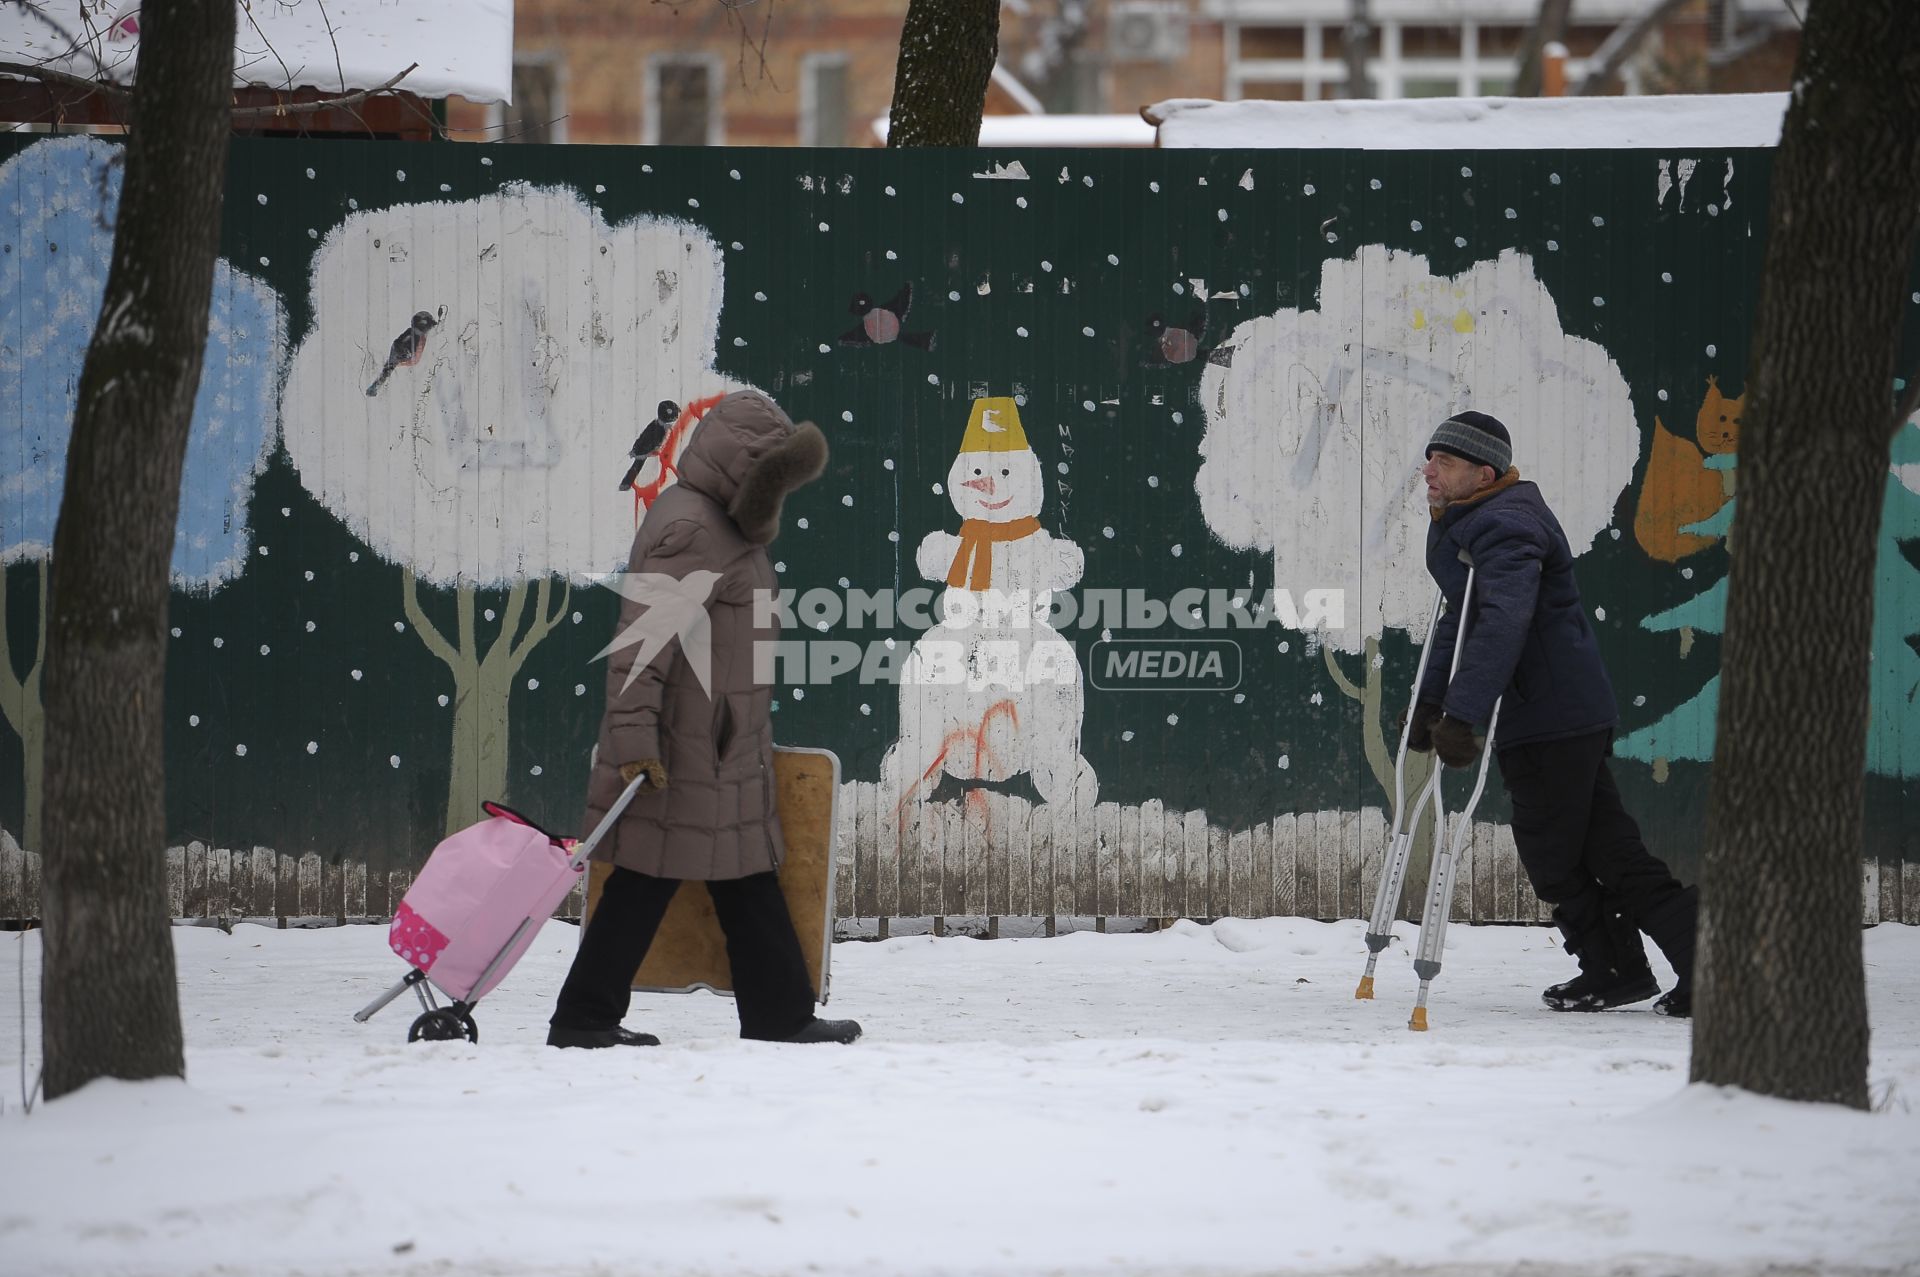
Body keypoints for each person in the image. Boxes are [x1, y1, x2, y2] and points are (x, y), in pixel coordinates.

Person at [549, 390, 862, 1048]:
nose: (778, 497)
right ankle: (584, 1017)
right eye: (775, 479)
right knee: (648, 879)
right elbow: (641, 645)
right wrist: (635, 741)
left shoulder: (721, 526)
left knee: (742, 874)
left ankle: (776, 1011)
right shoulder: (693, 527)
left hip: (718, 744)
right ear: (746, 470)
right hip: (683, 747)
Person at [1409, 410, 1697, 1018]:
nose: (1429, 470)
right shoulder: (1476, 517)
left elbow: (1500, 623)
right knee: (1610, 852)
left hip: (1549, 715)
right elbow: (1458, 620)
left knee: (1554, 854)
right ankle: (1686, 965)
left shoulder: (1506, 525)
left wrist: (1462, 715)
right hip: (1560, 710)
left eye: (1446, 462)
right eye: (1431, 457)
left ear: (1483, 472)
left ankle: (1620, 967)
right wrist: (1434, 702)